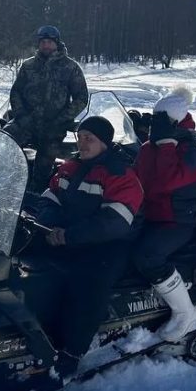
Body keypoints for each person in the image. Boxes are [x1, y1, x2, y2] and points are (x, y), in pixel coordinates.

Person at [31, 115, 144, 364]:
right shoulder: (71, 166)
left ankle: (73, 350)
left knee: (89, 281)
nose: (82, 143)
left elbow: (113, 222)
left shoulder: (119, 173)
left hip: (109, 243)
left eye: (89, 139)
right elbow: (50, 197)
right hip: (68, 235)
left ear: (103, 142)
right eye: (80, 137)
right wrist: (50, 226)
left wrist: (68, 236)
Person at [131, 89, 196, 341]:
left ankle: (186, 313)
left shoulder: (192, 151)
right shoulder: (148, 147)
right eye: (154, 120)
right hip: (149, 215)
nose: (155, 125)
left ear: (175, 122)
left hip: (178, 221)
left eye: (161, 120)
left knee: (148, 256)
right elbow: (137, 178)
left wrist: (166, 145)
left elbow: (168, 181)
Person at [6, 25, 89, 191]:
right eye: (43, 42)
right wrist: (21, 115)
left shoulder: (70, 67)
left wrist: (62, 119)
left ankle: (38, 197)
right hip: (27, 122)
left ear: (57, 43)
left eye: (49, 42)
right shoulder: (28, 66)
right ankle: (5, 186)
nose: (45, 45)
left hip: (53, 127)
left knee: (44, 166)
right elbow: (16, 92)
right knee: (3, 143)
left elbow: (81, 98)